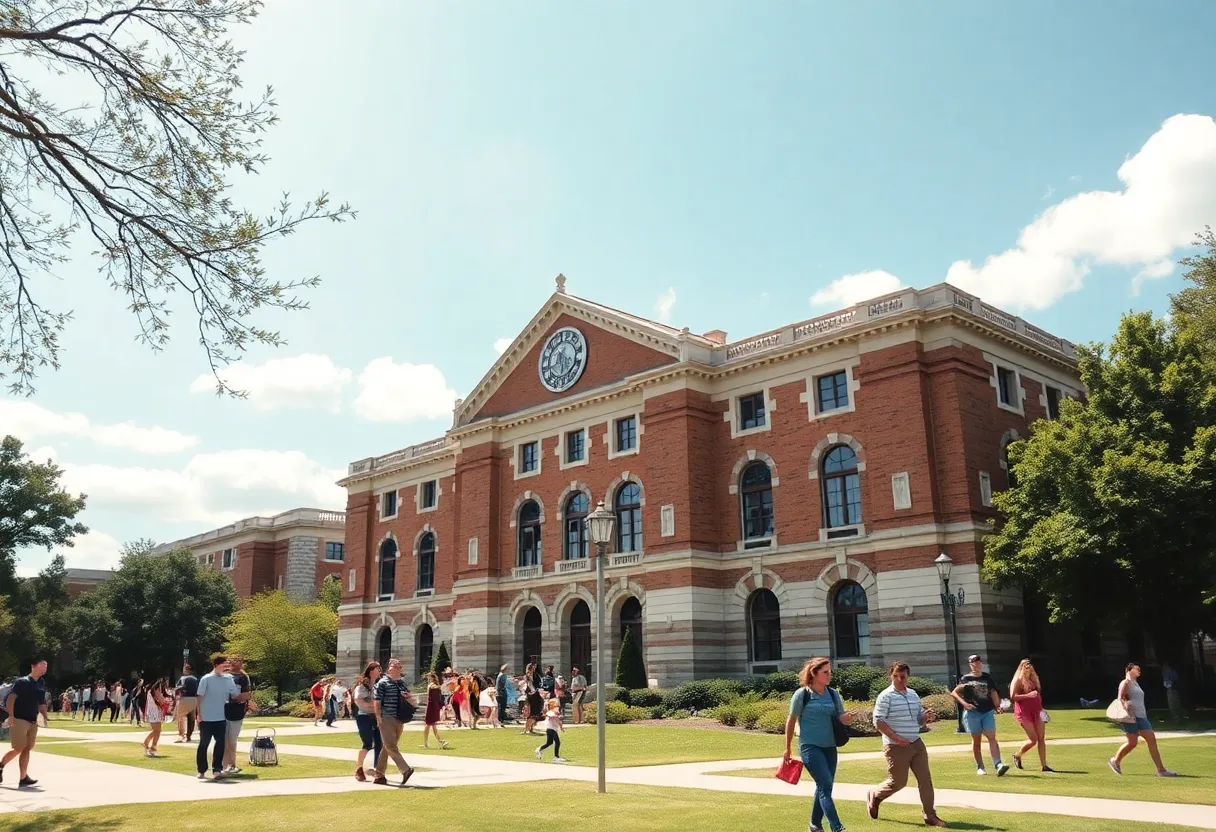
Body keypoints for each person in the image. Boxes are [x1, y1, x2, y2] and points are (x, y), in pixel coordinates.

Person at [865, 661, 947, 827]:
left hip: (916, 742)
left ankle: (929, 815)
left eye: (903, 676)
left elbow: (917, 720)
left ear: (908, 676)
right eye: (896, 676)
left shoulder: (913, 695)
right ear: (891, 676)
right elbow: (878, 721)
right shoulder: (885, 696)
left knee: (925, 780)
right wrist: (896, 739)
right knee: (898, 782)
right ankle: (875, 795)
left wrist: (924, 718)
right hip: (896, 746)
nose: (900, 679)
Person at [783, 657, 855, 832]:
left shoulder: (833, 694)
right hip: (810, 746)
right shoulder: (802, 694)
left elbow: (840, 717)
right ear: (813, 674)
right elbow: (791, 720)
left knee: (825, 786)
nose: (829, 674)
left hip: (830, 746)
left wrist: (845, 719)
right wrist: (787, 748)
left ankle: (814, 825)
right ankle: (837, 828)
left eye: (830, 671)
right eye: (825, 672)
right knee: (825, 784)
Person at [1109, 663, 1177, 777]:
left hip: (1142, 717)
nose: (1139, 670)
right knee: (1132, 743)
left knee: (1151, 740)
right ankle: (1115, 761)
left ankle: (1161, 770)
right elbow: (1121, 698)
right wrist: (1127, 710)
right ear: (1129, 670)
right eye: (1137, 669)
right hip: (1131, 718)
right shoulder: (1125, 682)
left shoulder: (1136, 684)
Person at [950, 654, 1008, 776]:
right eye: (973, 663)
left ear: (981, 663)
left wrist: (997, 706)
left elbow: (993, 692)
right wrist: (964, 704)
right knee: (976, 741)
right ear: (970, 665)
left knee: (992, 737)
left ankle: (998, 764)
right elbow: (954, 693)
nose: (976, 665)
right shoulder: (966, 679)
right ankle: (980, 767)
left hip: (987, 711)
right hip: (973, 713)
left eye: (978, 662)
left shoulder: (987, 677)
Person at [0, 659, 49, 788]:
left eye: (46, 666)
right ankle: (0, 766)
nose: (45, 668)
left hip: (32, 720)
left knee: (27, 748)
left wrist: (44, 716)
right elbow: (11, 698)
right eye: (42, 665)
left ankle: (23, 778)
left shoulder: (41, 682)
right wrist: (11, 715)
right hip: (19, 719)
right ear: (33, 666)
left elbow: (41, 701)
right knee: (18, 748)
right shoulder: (22, 682)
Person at [372, 658, 417, 786]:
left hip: (400, 718)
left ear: (400, 669)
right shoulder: (382, 683)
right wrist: (378, 717)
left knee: (388, 746)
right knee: (391, 746)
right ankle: (405, 770)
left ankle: (379, 775)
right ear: (389, 668)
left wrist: (409, 699)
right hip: (386, 718)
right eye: (393, 664)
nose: (395, 666)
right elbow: (377, 701)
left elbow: (411, 698)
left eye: (398, 665)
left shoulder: (402, 683)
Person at [195, 655, 240, 780]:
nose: (226, 668)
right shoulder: (206, 679)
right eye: (223, 665)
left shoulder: (228, 679)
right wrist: (199, 714)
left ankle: (217, 770)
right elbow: (199, 697)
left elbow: (235, 694)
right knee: (204, 743)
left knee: (220, 744)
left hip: (220, 717)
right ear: (215, 665)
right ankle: (201, 769)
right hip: (206, 717)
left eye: (227, 666)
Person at [1010, 659, 1052, 772]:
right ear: (1021, 667)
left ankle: (1044, 765)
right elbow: (1013, 697)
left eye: (1030, 664)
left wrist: (1042, 710)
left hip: (1038, 711)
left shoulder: (1034, 679)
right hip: (1024, 713)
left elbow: (1037, 696)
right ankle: (1018, 755)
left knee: (1041, 738)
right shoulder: (1018, 681)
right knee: (1033, 739)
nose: (1028, 667)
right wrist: (1028, 695)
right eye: (1025, 665)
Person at [351, 661, 382, 781]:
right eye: (377, 669)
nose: (379, 671)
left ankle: (377, 770)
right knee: (367, 743)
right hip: (364, 717)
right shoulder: (362, 687)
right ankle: (359, 768)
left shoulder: (380, 686)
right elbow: (359, 702)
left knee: (380, 744)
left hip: (378, 717)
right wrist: (374, 707)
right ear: (370, 671)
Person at [223, 656, 252, 774]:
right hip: (221, 711)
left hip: (237, 711)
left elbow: (247, 695)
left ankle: (232, 764)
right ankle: (223, 764)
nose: (237, 663)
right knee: (223, 739)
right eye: (234, 661)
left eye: (239, 661)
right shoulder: (222, 676)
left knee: (232, 739)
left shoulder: (243, 677)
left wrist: (235, 697)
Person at [421, 672, 449, 749]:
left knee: (427, 725)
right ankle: (440, 741)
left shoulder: (431, 686)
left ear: (430, 678)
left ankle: (426, 744)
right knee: (433, 726)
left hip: (431, 707)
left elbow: (431, 699)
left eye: (428, 678)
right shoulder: (437, 687)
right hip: (435, 708)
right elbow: (439, 699)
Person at [142, 679, 169, 757]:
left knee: (157, 730)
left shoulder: (151, 691)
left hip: (153, 712)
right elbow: (162, 700)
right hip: (154, 712)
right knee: (157, 730)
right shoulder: (155, 691)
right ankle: (147, 743)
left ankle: (153, 747)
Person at [535, 696, 566, 762]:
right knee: (557, 742)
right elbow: (549, 715)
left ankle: (539, 749)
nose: (558, 708)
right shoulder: (550, 712)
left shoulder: (556, 713)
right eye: (556, 706)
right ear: (552, 707)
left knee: (549, 743)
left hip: (553, 729)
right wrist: (556, 715)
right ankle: (556, 757)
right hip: (550, 729)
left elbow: (559, 722)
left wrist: (561, 728)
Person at [175, 664, 199, 743]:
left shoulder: (183, 678)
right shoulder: (196, 679)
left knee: (180, 718)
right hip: (194, 699)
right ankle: (189, 735)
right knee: (191, 718)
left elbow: (178, 687)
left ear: (186, 670)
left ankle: (181, 735)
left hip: (184, 698)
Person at [522, 662, 542, 735]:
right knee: (530, 713)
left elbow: (539, 684)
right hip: (530, 696)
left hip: (536, 695)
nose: (533, 669)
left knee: (535, 713)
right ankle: (527, 729)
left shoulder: (536, 676)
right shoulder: (527, 676)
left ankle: (531, 729)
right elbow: (527, 685)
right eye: (532, 668)